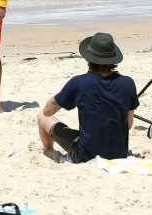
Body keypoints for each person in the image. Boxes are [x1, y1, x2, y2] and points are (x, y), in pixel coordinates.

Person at [37, 32, 138, 162]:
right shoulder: (128, 83)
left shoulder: (79, 82)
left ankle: (49, 151)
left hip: (85, 154)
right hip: (119, 153)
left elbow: (48, 111)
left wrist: (62, 94)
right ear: (113, 60)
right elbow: (128, 124)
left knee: (42, 117)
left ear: (88, 58)